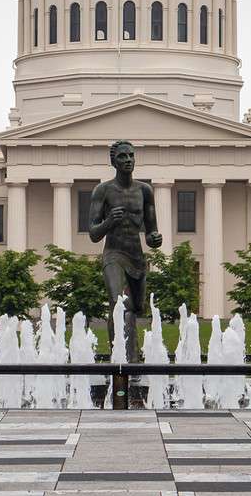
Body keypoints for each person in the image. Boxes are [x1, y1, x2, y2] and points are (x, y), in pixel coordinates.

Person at [88, 140, 162, 362]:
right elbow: (93, 233)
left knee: (135, 308)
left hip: (136, 258)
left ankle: (130, 356)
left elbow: (151, 231)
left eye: (131, 156)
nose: (128, 160)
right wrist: (109, 221)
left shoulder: (145, 191)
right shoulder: (103, 191)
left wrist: (155, 239)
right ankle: (125, 362)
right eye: (122, 156)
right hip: (114, 254)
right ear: (113, 161)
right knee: (121, 305)